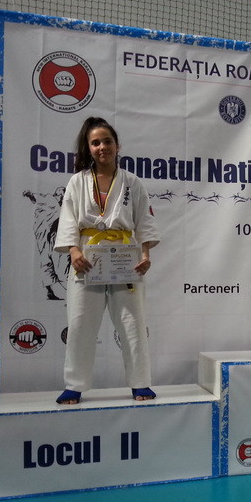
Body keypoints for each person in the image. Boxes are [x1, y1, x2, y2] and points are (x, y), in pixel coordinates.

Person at [53, 117, 160, 404]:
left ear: (117, 145)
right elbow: (68, 219)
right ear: (88, 148)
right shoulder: (77, 182)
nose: (102, 147)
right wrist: (73, 251)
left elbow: (144, 221)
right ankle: (74, 385)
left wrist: (146, 255)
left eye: (107, 141)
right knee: (80, 324)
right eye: (96, 142)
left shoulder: (132, 182)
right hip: (87, 258)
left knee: (133, 323)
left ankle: (141, 383)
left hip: (125, 259)